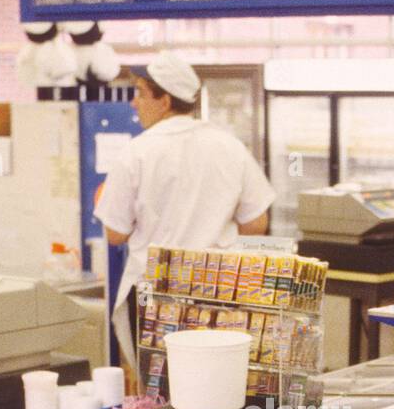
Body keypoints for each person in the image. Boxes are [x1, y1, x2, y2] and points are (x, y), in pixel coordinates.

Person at [95, 51, 275, 373]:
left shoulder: (137, 152)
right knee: (216, 385)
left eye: (140, 93)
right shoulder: (229, 145)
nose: (134, 103)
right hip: (218, 289)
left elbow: (115, 234)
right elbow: (257, 223)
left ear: (164, 100)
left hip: (155, 290)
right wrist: (214, 229)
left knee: (161, 390)